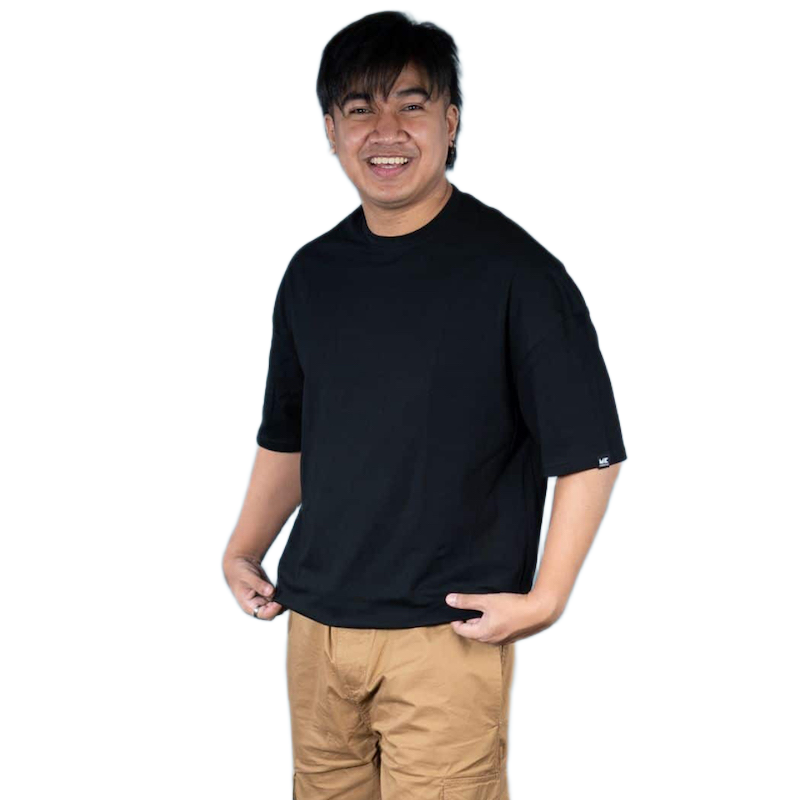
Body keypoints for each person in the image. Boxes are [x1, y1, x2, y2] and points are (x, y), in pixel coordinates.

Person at [222, 11, 627, 800]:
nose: (386, 131)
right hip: (316, 630)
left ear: (451, 121)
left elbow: (590, 452)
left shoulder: (517, 273)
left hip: (442, 636)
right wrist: (243, 548)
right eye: (360, 109)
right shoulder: (313, 273)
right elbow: (290, 436)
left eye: (412, 105)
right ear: (331, 129)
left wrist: (546, 598)